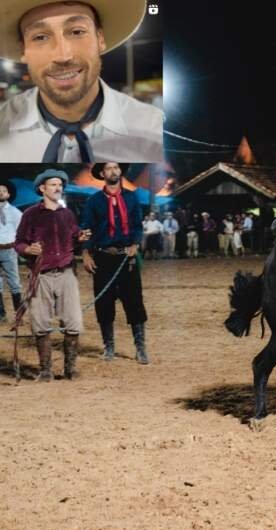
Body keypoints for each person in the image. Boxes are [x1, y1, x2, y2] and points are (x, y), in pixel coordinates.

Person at [0, 0, 163, 162]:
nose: (62, 56)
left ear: (100, 39)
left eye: (77, 32)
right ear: (23, 50)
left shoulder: (155, 130)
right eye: (40, 37)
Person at [14, 169, 91, 380]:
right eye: (53, 184)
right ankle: (45, 370)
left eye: (60, 185)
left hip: (66, 273)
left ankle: (70, 369)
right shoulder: (31, 214)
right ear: (42, 188)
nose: (58, 188)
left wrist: (80, 237)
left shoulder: (67, 214)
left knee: (73, 322)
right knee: (40, 323)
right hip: (41, 275)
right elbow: (19, 242)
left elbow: (74, 236)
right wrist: (28, 250)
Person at [80, 162, 148, 363]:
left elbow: (137, 225)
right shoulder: (93, 201)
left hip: (126, 257)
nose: (113, 171)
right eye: (109, 168)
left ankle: (141, 348)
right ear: (102, 173)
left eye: (117, 167)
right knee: (104, 303)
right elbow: (86, 229)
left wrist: (135, 244)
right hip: (102, 257)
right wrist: (85, 253)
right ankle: (109, 347)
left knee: (134, 302)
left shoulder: (131, 197)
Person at [0, 178, 23, 322]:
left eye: (3, 191)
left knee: (14, 282)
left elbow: (21, 230)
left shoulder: (15, 212)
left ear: (8, 194)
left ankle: (18, 315)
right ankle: (1, 315)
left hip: (9, 250)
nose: (0, 193)